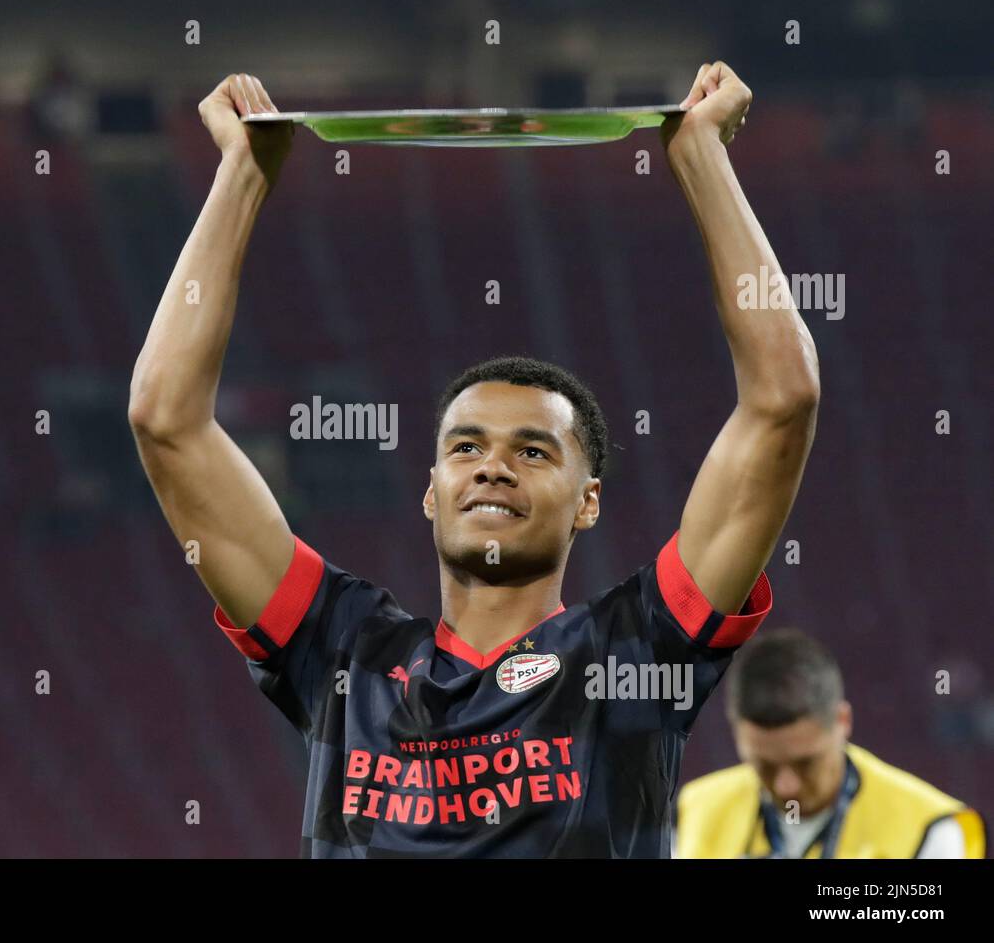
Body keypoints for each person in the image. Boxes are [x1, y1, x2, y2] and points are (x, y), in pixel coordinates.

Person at [130, 63, 820, 856]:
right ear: (430, 491)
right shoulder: (342, 651)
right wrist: (242, 176)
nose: (492, 467)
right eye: (465, 448)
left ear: (588, 501)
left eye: (533, 450)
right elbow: (165, 420)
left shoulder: (636, 652)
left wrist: (701, 158)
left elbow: (782, 402)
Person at [675, 628, 985, 858]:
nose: (786, 786)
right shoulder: (695, 810)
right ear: (736, 733)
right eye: (764, 765)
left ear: (843, 720)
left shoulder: (931, 828)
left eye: (805, 762)